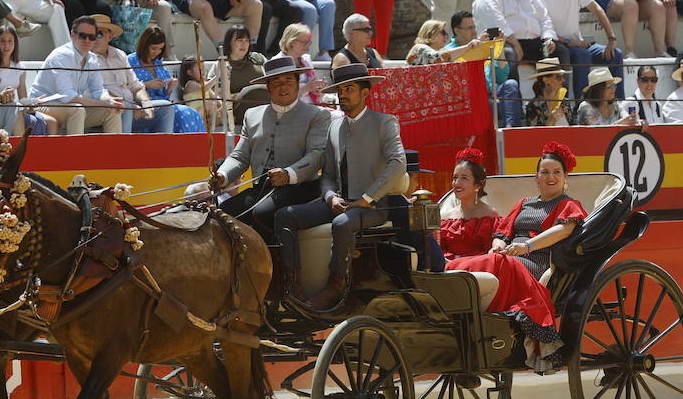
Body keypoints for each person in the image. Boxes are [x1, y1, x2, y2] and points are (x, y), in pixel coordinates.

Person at [274, 63, 407, 311]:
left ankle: (336, 286)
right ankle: (293, 286)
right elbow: (328, 175)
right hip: (340, 203)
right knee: (285, 216)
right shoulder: (334, 127)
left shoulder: (384, 122)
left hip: (372, 206)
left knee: (342, 223)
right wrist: (330, 197)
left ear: (365, 92)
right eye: (340, 90)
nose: (342, 95)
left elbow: (398, 163)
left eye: (349, 89)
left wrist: (368, 197)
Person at [447, 142, 586, 373]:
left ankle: (456, 277)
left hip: (537, 263)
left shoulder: (568, 204)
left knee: (497, 262)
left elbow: (563, 230)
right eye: (544, 172)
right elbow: (502, 232)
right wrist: (497, 246)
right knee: (490, 259)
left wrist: (527, 246)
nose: (550, 177)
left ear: (565, 177)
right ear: (536, 177)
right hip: (509, 256)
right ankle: (452, 282)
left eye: (556, 172)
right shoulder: (523, 204)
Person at [207, 54, 332, 246]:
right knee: (224, 212)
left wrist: (288, 174)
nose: (283, 86)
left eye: (288, 80)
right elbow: (240, 156)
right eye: (276, 82)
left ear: (298, 84)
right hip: (262, 188)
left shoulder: (317, 115)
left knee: (262, 213)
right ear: (268, 86)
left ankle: (279, 266)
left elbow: (317, 154)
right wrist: (223, 175)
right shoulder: (252, 115)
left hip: (301, 187)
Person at [535, 0, 625, 97]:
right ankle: (581, 105)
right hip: (560, 47)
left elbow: (598, 10)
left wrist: (611, 39)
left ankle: (619, 104)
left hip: (579, 45)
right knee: (583, 55)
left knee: (616, 54)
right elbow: (545, 30)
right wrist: (571, 42)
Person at [28, 15, 125, 134]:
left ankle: (114, 152)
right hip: (40, 105)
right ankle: (76, 152)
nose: (87, 40)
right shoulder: (62, 56)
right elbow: (67, 96)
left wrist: (111, 101)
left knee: (112, 111)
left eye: (92, 37)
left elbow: (98, 92)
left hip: (67, 108)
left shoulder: (92, 59)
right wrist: (103, 103)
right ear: (72, 34)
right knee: (77, 109)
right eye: (83, 36)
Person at [438, 148, 500, 262]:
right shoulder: (445, 217)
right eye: (455, 178)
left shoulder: (490, 216)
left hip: (479, 271)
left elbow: (494, 251)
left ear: (477, 184)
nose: (457, 183)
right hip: (448, 271)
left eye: (464, 178)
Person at [127, 26, 178, 135]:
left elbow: (165, 95)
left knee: (188, 112)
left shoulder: (158, 63)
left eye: (160, 49)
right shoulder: (130, 61)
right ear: (144, 45)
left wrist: (169, 87)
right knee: (176, 111)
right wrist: (147, 85)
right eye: (154, 48)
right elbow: (124, 87)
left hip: (161, 104)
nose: (157, 52)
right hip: (140, 105)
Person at [524, 58, 574, 126]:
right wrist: (551, 121)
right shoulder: (533, 107)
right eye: (558, 77)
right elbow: (533, 135)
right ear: (546, 80)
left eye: (562, 76)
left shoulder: (565, 103)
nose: (563, 80)